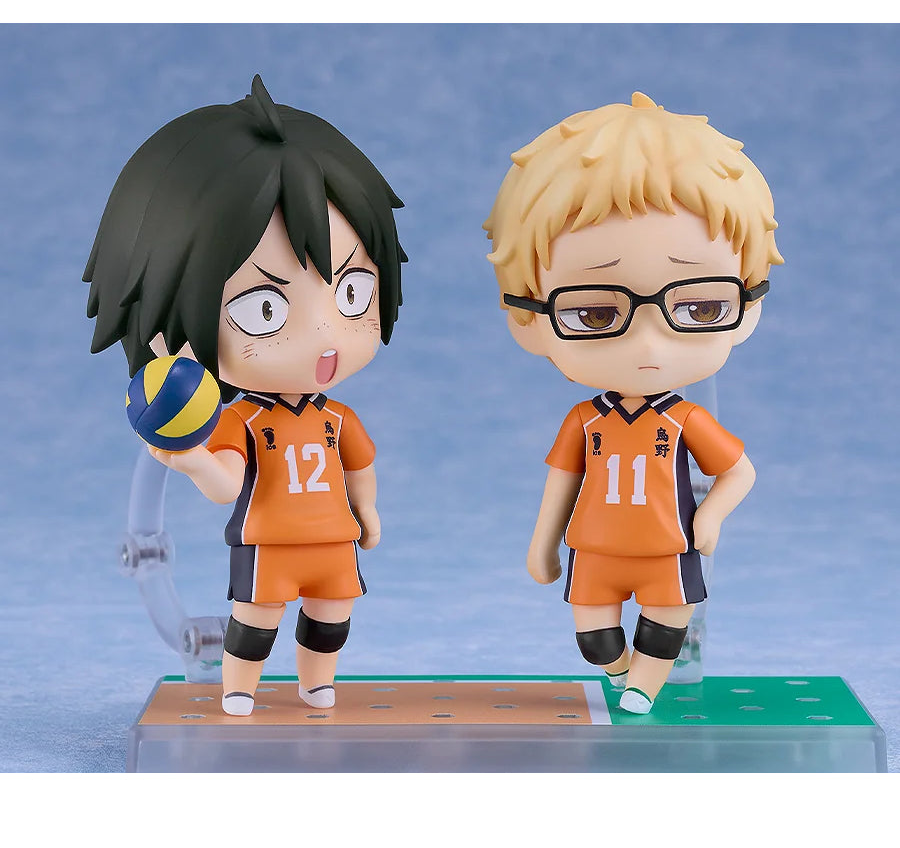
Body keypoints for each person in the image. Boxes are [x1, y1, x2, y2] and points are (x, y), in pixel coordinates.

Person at [85, 75, 406, 715]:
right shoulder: (243, 419)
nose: (325, 335)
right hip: (269, 540)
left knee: (332, 615)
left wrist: (367, 511)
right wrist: (194, 458)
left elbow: (361, 466)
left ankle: (316, 683)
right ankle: (238, 687)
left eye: (352, 293)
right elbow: (227, 483)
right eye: (264, 308)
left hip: (333, 539)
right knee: (255, 618)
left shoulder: (338, 417)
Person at [484, 92, 782, 713]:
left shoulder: (685, 418)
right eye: (595, 313)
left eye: (699, 307)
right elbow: (561, 482)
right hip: (594, 547)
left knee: (666, 623)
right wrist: (542, 543)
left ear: (747, 306)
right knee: (595, 640)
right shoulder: (585, 420)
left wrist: (710, 517)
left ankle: (644, 685)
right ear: (527, 318)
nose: (648, 345)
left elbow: (739, 472)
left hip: (668, 546)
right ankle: (624, 674)